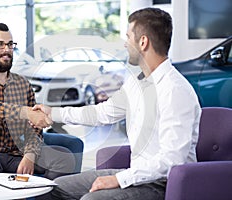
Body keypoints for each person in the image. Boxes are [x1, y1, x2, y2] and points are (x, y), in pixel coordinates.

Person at [34, 7, 202, 200]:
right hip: (136, 175)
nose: (125, 44)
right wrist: (52, 113)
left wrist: (119, 179)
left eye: (128, 37)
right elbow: (102, 113)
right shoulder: (137, 82)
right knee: (51, 189)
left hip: (163, 185)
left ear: (143, 42)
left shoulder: (174, 90)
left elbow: (172, 161)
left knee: (92, 199)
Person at [0, 22, 75, 180]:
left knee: (64, 158)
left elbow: (34, 129)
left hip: (15, 154)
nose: (6, 50)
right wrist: (24, 112)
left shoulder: (22, 84)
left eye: (10, 44)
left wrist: (30, 155)